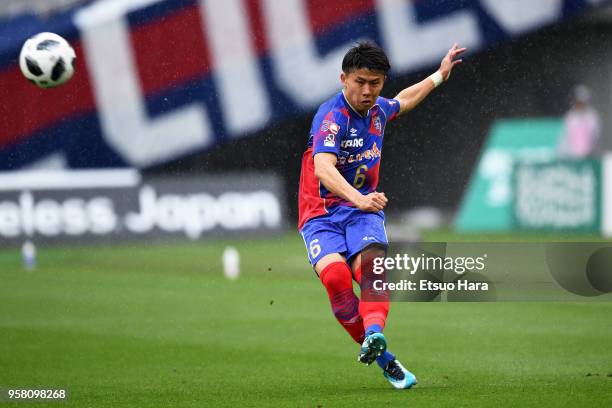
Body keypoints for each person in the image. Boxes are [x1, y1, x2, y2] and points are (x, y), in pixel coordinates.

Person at [297, 41, 466, 389]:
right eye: (360, 81)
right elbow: (322, 168)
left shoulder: (377, 111)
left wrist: (439, 75)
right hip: (321, 214)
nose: (368, 90)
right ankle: (387, 361)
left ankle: (374, 335)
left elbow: (404, 99)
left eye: (375, 83)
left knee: (372, 271)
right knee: (336, 280)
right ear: (343, 78)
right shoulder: (331, 117)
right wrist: (358, 198)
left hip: (363, 210)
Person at [557, 84, 601, 159]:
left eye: (582, 103)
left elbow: (596, 136)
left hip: (589, 156)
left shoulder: (592, 117)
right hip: (572, 157)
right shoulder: (570, 117)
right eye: (578, 103)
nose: (580, 105)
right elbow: (564, 137)